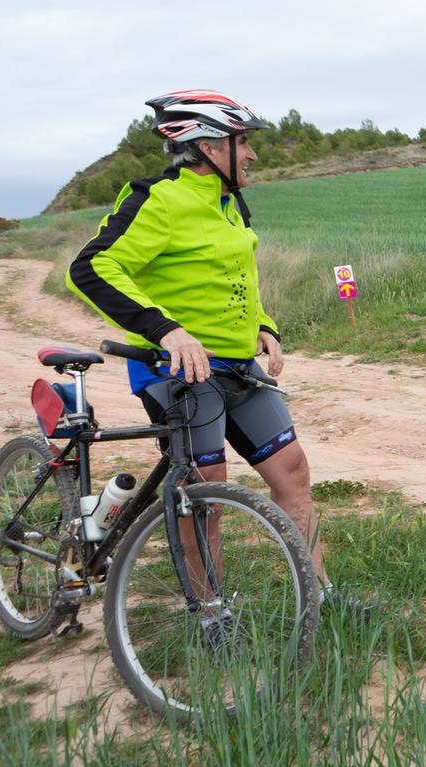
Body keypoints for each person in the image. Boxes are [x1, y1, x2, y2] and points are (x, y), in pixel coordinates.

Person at [65, 90, 361, 610]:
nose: (251, 154)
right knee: (207, 495)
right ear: (205, 146)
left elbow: (236, 277)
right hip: (177, 370)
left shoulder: (228, 206)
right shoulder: (158, 199)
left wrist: (264, 325)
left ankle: (323, 598)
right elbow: (91, 268)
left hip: (238, 368)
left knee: (292, 471)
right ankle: (211, 614)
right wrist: (165, 330)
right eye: (241, 141)